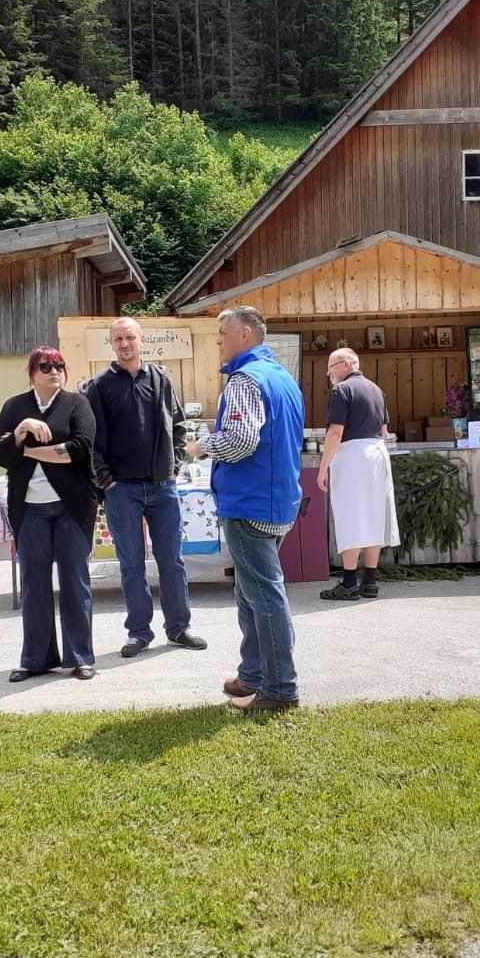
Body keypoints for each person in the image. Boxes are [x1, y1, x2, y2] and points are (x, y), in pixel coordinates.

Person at [185, 305, 302, 712]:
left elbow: (239, 441)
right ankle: (253, 675)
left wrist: (201, 448)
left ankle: (280, 689)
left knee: (264, 597)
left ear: (246, 334)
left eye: (222, 332)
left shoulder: (244, 379)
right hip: (276, 498)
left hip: (251, 502)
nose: (217, 340)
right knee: (250, 593)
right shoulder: (281, 377)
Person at [86, 316, 206, 657]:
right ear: (111, 344)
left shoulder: (161, 379)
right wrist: (105, 480)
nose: (124, 344)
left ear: (142, 341)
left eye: (130, 338)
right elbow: (90, 439)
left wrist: (174, 465)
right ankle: (139, 632)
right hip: (120, 488)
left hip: (161, 486)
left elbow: (179, 425)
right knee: (131, 565)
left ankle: (179, 628)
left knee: (172, 560)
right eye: (118, 339)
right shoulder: (98, 386)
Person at [0, 347, 99, 682]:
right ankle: (36, 659)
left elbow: (82, 448)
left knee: (74, 583)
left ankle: (80, 657)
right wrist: (22, 431)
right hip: (30, 510)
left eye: (59, 366)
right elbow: (3, 456)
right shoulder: (14, 407)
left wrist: (31, 451)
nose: (54, 371)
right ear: (31, 372)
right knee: (34, 586)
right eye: (45, 366)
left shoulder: (76, 403)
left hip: (72, 507)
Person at [316, 348, 398, 600]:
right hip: (377, 453)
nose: (328, 372)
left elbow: (335, 432)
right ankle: (370, 582)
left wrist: (323, 466)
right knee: (375, 515)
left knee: (350, 516)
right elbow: (384, 432)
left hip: (352, 454)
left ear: (346, 364)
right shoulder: (376, 390)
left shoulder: (342, 390)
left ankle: (349, 582)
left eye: (331, 366)